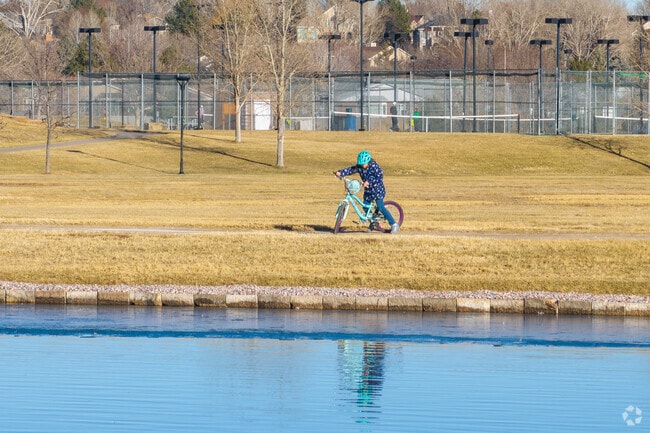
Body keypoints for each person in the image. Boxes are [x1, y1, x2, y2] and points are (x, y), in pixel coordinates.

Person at [335, 150, 399, 234]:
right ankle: (373, 222)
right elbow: (351, 170)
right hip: (368, 190)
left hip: (377, 190)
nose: (362, 166)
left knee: (380, 207)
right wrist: (340, 173)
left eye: (364, 164)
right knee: (365, 206)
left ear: (368, 162)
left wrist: (369, 181)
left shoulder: (374, 166)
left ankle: (394, 224)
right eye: (361, 164)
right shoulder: (360, 167)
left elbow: (380, 176)